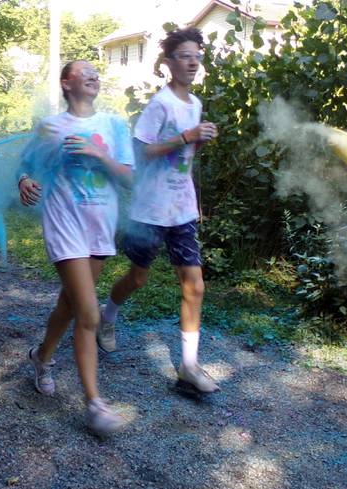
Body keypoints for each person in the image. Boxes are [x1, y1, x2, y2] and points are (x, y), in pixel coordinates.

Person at [96, 27, 221, 395]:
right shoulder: (160, 105)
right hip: (150, 210)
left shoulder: (194, 105)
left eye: (197, 54)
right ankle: (107, 318)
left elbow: (185, 158)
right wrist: (186, 137)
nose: (194, 61)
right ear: (170, 63)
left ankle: (188, 366)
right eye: (185, 55)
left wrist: (197, 142)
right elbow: (139, 153)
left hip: (180, 209)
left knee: (194, 285)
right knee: (137, 279)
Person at [17, 60, 134, 435]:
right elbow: (25, 163)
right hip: (64, 223)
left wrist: (99, 155)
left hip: (99, 226)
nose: (94, 74)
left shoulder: (114, 126)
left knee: (68, 305)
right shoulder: (51, 127)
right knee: (87, 313)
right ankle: (95, 403)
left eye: (97, 71)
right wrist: (23, 181)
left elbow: (129, 178)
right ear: (66, 83)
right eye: (84, 71)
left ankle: (41, 357)